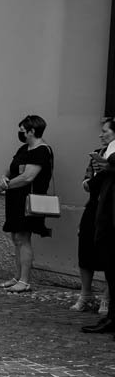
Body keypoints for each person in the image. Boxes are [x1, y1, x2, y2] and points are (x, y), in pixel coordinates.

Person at [0, 115, 54, 294]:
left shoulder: (42, 151)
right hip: (15, 199)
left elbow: (28, 177)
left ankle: (24, 281)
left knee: (23, 238)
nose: (20, 134)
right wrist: (4, 178)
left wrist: (5, 186)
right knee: (16, 238)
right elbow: (11, 168)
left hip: (29, 201)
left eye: (22, 131)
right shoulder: (24, 148)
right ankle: (17, 277)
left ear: (32, 131)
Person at [75, 119, 115, 312]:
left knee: (109, 252)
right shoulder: (97, 154)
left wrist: (108, 170)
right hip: (93, 206)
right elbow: (86, 182)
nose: (101, 135)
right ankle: (85, 294)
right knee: (85, 247)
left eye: (105, 131)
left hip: (110, 208)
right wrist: (93, 178)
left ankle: (107, 297)